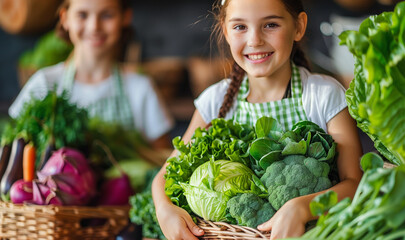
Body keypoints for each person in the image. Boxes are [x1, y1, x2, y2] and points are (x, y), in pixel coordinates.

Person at [152, 0, 363, 239]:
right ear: (225, 30)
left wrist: (303, 208)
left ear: (299, 26)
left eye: (270, 24)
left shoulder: (323, 95)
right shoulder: (215, 101)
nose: (255, 40)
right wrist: (165, 209)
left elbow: (353, 184)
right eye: (240, 27)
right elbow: (164, 175)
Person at [8, 0, 174, 149]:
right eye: (82, 15)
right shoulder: (44, 83)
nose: (94, 26)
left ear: (125, 17)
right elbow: (14, 143)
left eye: (107, 15)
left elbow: (162, 160)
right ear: (65, 19)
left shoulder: (140, 88)